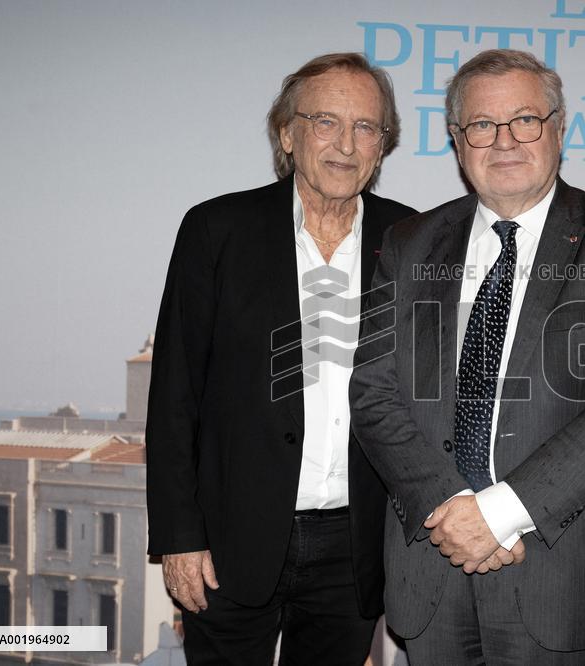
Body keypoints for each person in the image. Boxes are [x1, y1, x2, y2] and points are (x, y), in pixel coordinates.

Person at [349, 49, 585, 665]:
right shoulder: (409, 244)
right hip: (432, 562)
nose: (504, 141)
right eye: (481, 125)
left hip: (565, 573)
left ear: (557, 127)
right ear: (456, 140)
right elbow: (374, 390)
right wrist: (452, 511)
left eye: (524, 120)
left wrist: (496, 516)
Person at [145, 52, 415, 665]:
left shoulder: (413, 241)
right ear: (288, 134)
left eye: (366, 127)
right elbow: (174, 396)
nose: (346, 143)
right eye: (326, 122)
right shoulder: (216, 231)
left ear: (382, 146)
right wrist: (180, 538)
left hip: (356, 547)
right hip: (227, 541)